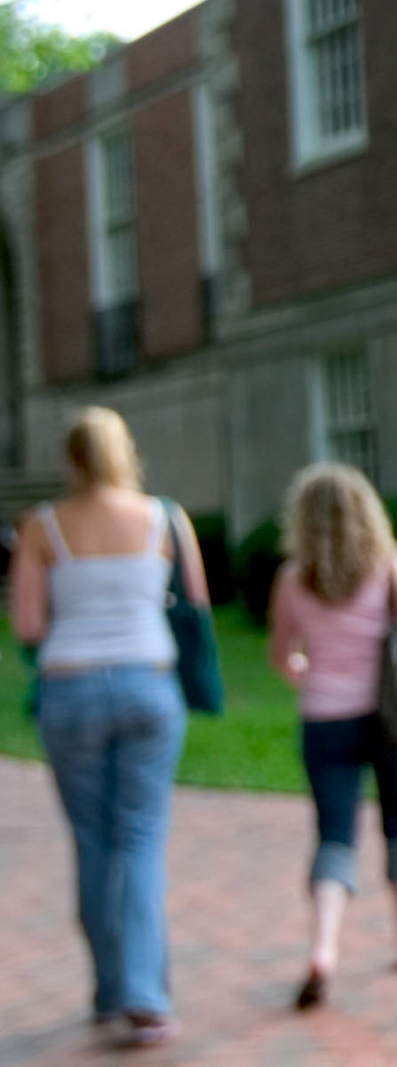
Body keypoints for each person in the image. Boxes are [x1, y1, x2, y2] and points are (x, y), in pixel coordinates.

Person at [9, 407, 209, 1048]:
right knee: (140, 840)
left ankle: (107, 994)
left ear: (71, 459)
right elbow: (197, 607)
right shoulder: (167, 518)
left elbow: (29, 628)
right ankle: (145, 997)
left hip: (69, 691)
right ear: (126, 452)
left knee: (93, 843)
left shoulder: (41, 527)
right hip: (149, 686)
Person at [268, 462, 397, 1008]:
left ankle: (324, 947)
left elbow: (281, 656)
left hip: (324, 718)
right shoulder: (390, 569)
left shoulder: (293, 578)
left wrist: (308, 671)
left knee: (334, 835)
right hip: (391, 720)